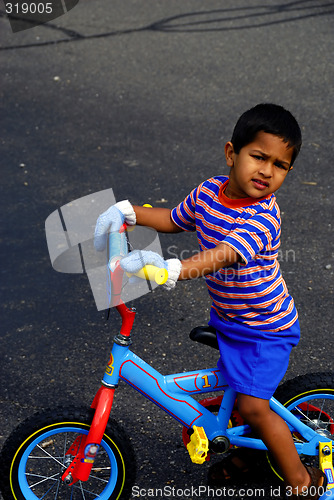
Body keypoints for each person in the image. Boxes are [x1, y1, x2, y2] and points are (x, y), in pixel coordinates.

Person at [94, 103, 327, 499]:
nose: (267, 171)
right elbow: (173, 219)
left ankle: (304, 482)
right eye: (258, 156)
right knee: (237, 400)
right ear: (231, 153)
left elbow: (222, 254)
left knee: (254, 407)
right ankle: (246, 456)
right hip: (230, 317)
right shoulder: (207, 193)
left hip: (264, 329)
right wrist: (129, 213)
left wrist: (172, 270)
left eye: (281, 165)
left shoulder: (263, 216)